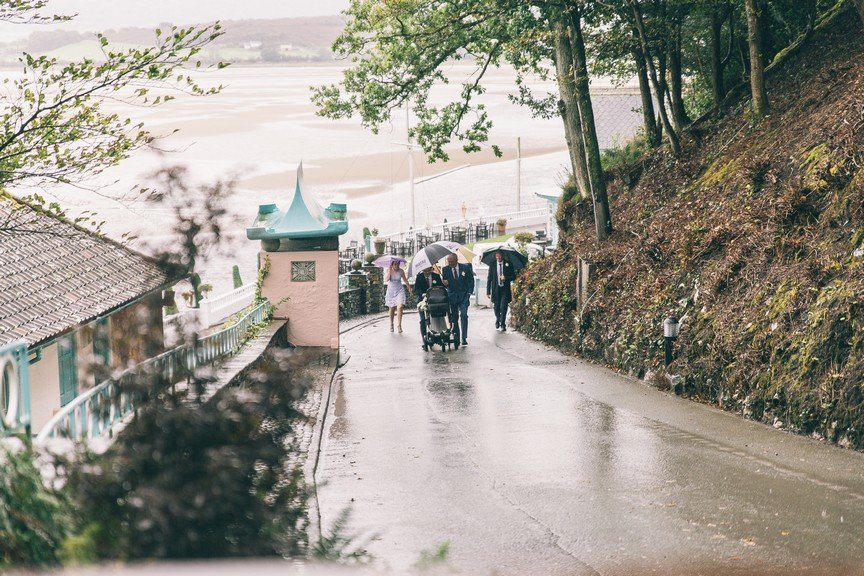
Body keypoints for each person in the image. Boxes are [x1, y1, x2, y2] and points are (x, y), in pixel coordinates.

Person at [441, 253, 474, 346]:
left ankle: (464, 337)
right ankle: (457, 337)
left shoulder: (465, 268)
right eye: (449, 261)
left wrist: (469, 293)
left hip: (464, 296)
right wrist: (445, 283)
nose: (450, 263)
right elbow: (446, 284)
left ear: (456, 260)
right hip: (452, 297)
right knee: (454, 318)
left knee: (463, 315)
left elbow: (471, 281)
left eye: (452, 261)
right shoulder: (445, 269)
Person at [413, 265, 445, 350]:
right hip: (423, 300)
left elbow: (442, 287)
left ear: (431, 269)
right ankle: (424, 339)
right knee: (423, 320)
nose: (426, 273)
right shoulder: (419, 277)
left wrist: (443, 284)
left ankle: (439, 334)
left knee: (438, 316)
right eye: (425, 271)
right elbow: (416, 289)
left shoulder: (436, 276)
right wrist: (422, 294)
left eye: (428, 271)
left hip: (435, 300)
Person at [486, 249, 516, 332]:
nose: (498, 258)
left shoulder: (508, 264)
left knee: (504, 306)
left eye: (499, 256)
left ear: (502, 256)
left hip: (504, 289)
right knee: (496, 307)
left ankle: (502, 323)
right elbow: (489, 278)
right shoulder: (492, 265)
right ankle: (498, 319)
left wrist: (506, 278)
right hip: (496, 289)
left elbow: (513, 276)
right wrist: (488, 291)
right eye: (497, 256)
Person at [384, 260, 411, 333]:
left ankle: (399, 325)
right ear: (392, 265)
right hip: (391, 291)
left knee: (400, 307)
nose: (397, 266)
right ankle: (391, 324)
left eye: (398, 264)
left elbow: (405, 280)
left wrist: (409, 287)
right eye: (395, 264)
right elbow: (386, 279)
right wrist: (389, 270)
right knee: (391, 308)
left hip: (399, 290)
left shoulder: (401, 271)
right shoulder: (388, 270)